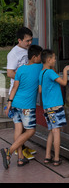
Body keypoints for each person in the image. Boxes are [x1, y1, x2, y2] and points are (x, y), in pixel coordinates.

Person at [1, 44, 43, 169]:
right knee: (31, 130)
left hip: (15, 104)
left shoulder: (20, 70)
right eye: (40, 56)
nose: (41, 58)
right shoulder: (39, 67)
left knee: (18, 130)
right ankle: (9, 150)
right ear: (34, 57)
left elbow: (14, 87)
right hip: (27, 106)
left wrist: (9, 103)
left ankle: (20, 158)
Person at [6, 26, 36, 160]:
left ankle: (21, 147)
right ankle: (18, 150)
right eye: (27, 41)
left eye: (31, 40)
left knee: (22, 125)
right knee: (20, 126)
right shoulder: (13, 54)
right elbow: (10, 73)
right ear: (19, 40)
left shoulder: (28, 50)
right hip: (18, 92)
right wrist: (25, 80)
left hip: (24, 92)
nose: (29, 43)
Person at [39, 49, 69, 166]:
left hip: (47, 107)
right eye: (54, 58)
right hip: (55, 107)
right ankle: (56, 158)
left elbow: (40, 90)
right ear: (49, 60)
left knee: (52, 131)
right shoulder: (51, 72)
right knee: (57, 131)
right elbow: (64, 82)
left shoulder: (41, 73)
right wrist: (65, 71)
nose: (55, 60)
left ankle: (47, 156)